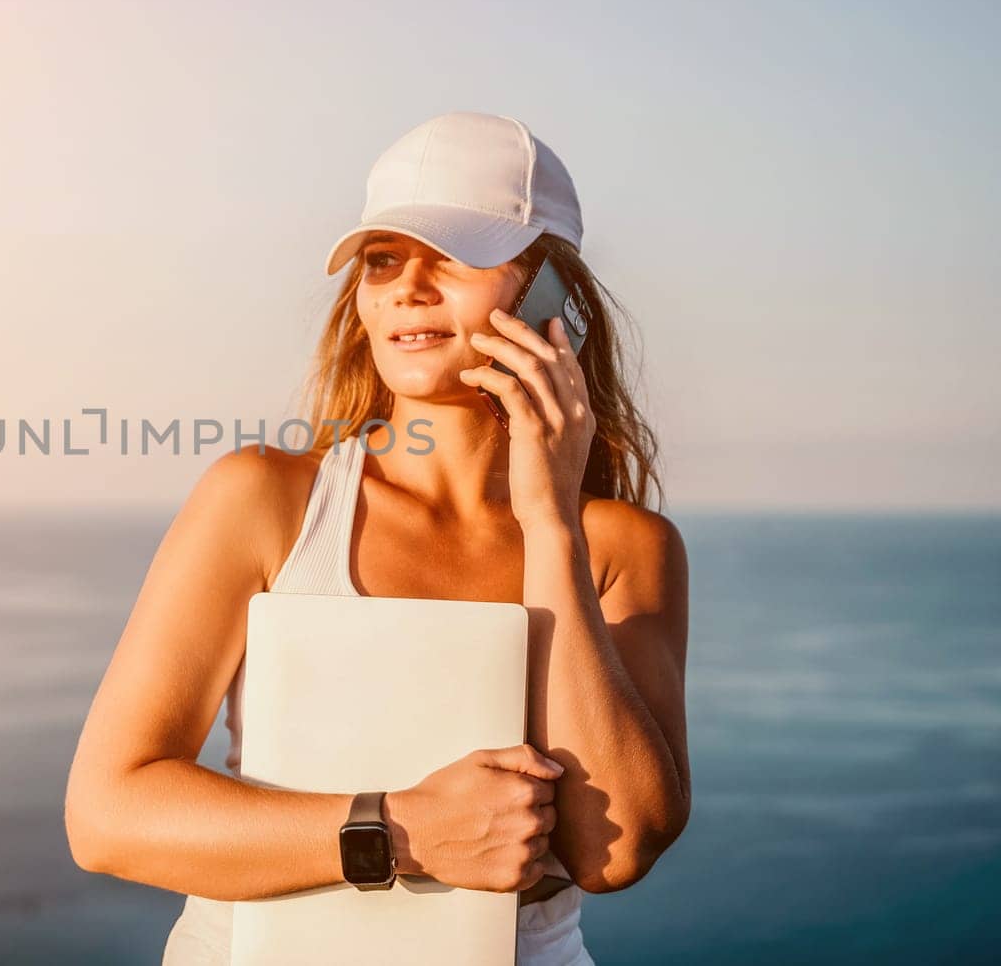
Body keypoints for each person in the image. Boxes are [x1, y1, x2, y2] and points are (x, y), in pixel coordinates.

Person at [64, 111, 691, 965]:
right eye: (383, 260)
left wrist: (549, 523)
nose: (409, 287)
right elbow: (108, 815)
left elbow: (615, 848)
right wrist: (402, 833)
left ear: (551, 292)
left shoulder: (622, 546)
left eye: (458, 255)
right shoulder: (263, 501)